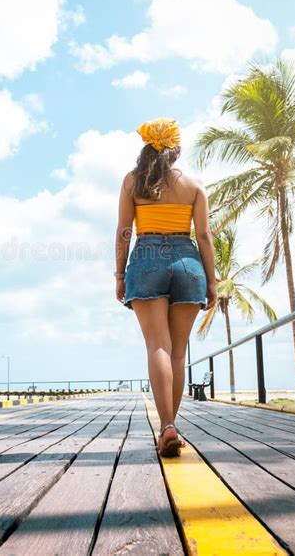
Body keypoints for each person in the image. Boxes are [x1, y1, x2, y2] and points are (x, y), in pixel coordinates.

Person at [114, 117, 217, 457]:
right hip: (188, 263)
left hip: (147, 258)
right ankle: (172, 426)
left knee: (157, 345)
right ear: (175, 151)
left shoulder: (132, 182)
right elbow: (203, 236)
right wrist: (212, 282)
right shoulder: (194, 186)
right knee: (178, 350)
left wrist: (119, 274)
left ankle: (166, 427)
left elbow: (124, 231)